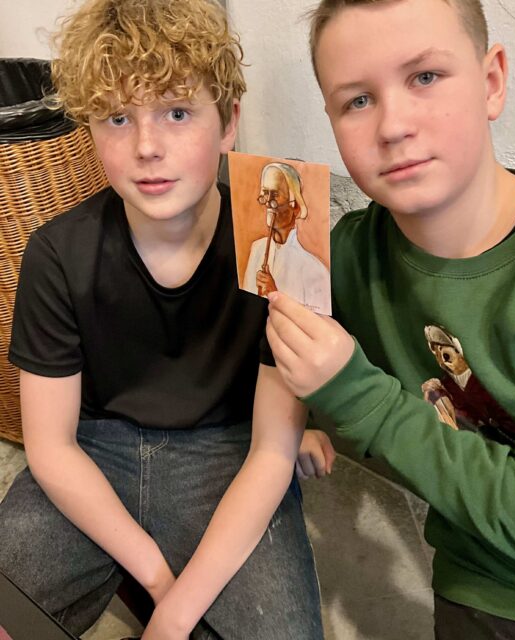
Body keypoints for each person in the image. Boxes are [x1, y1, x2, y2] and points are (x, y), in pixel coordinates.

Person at [0, 1, 328, 638]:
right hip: (94, 448)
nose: (147, 147)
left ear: (229, 122)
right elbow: (51, 447)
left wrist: (176, 616)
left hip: (231, 448)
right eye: (117, 118)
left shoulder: (282, 245)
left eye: (177, 112)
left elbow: (270, 450)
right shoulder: (57, 252)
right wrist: (157, 580)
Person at [266, 0, 515, 638]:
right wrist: (300, 416)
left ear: (491, 82)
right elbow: (264, 346)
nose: (394, 126)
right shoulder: (343, 255)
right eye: (357, 100)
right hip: (487, 585)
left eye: (425, 77)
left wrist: (355, 395)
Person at [243, 162, 331, 315]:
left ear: (295, 206)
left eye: (275, 195)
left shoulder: (315, 271)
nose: (268, 203)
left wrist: (274, 293)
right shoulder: (257, 250)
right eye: (265, 193)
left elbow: (314, 322)